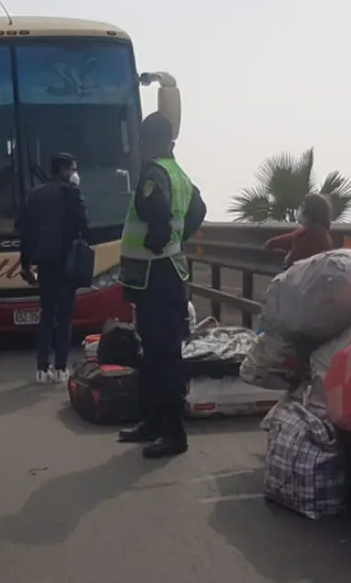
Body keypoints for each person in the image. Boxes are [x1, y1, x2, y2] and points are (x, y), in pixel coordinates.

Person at [117, 113, 207, 459]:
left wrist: (159, 239)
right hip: (168, 273)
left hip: (157, 274)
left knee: (164, 355)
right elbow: (198, 208)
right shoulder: (179, 174)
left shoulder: (153, 173)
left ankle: (173, 433)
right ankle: (154, 421)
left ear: (147, 142)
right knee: (154, 352)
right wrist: (176, 238)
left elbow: (157, 209)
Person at [15, 152, 89, 384]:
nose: (75, 173)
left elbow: (24, 232)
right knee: (65, 316)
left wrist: (25, 263)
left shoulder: (34, 195)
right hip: (66, 260)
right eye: (73, 169)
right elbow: (83, 224)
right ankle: (60, 368)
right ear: (64, 170)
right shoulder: (71, 192)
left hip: (44, 261)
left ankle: (41, 368)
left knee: (46, 314)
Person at [264, 193, 334, 267]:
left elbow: (294, 260)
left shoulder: (311, 236)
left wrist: (287, 260)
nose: (298, 211)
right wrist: (272, 243)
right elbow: (290, 238)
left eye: (301, 207)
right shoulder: (313, 232)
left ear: (308, 212)